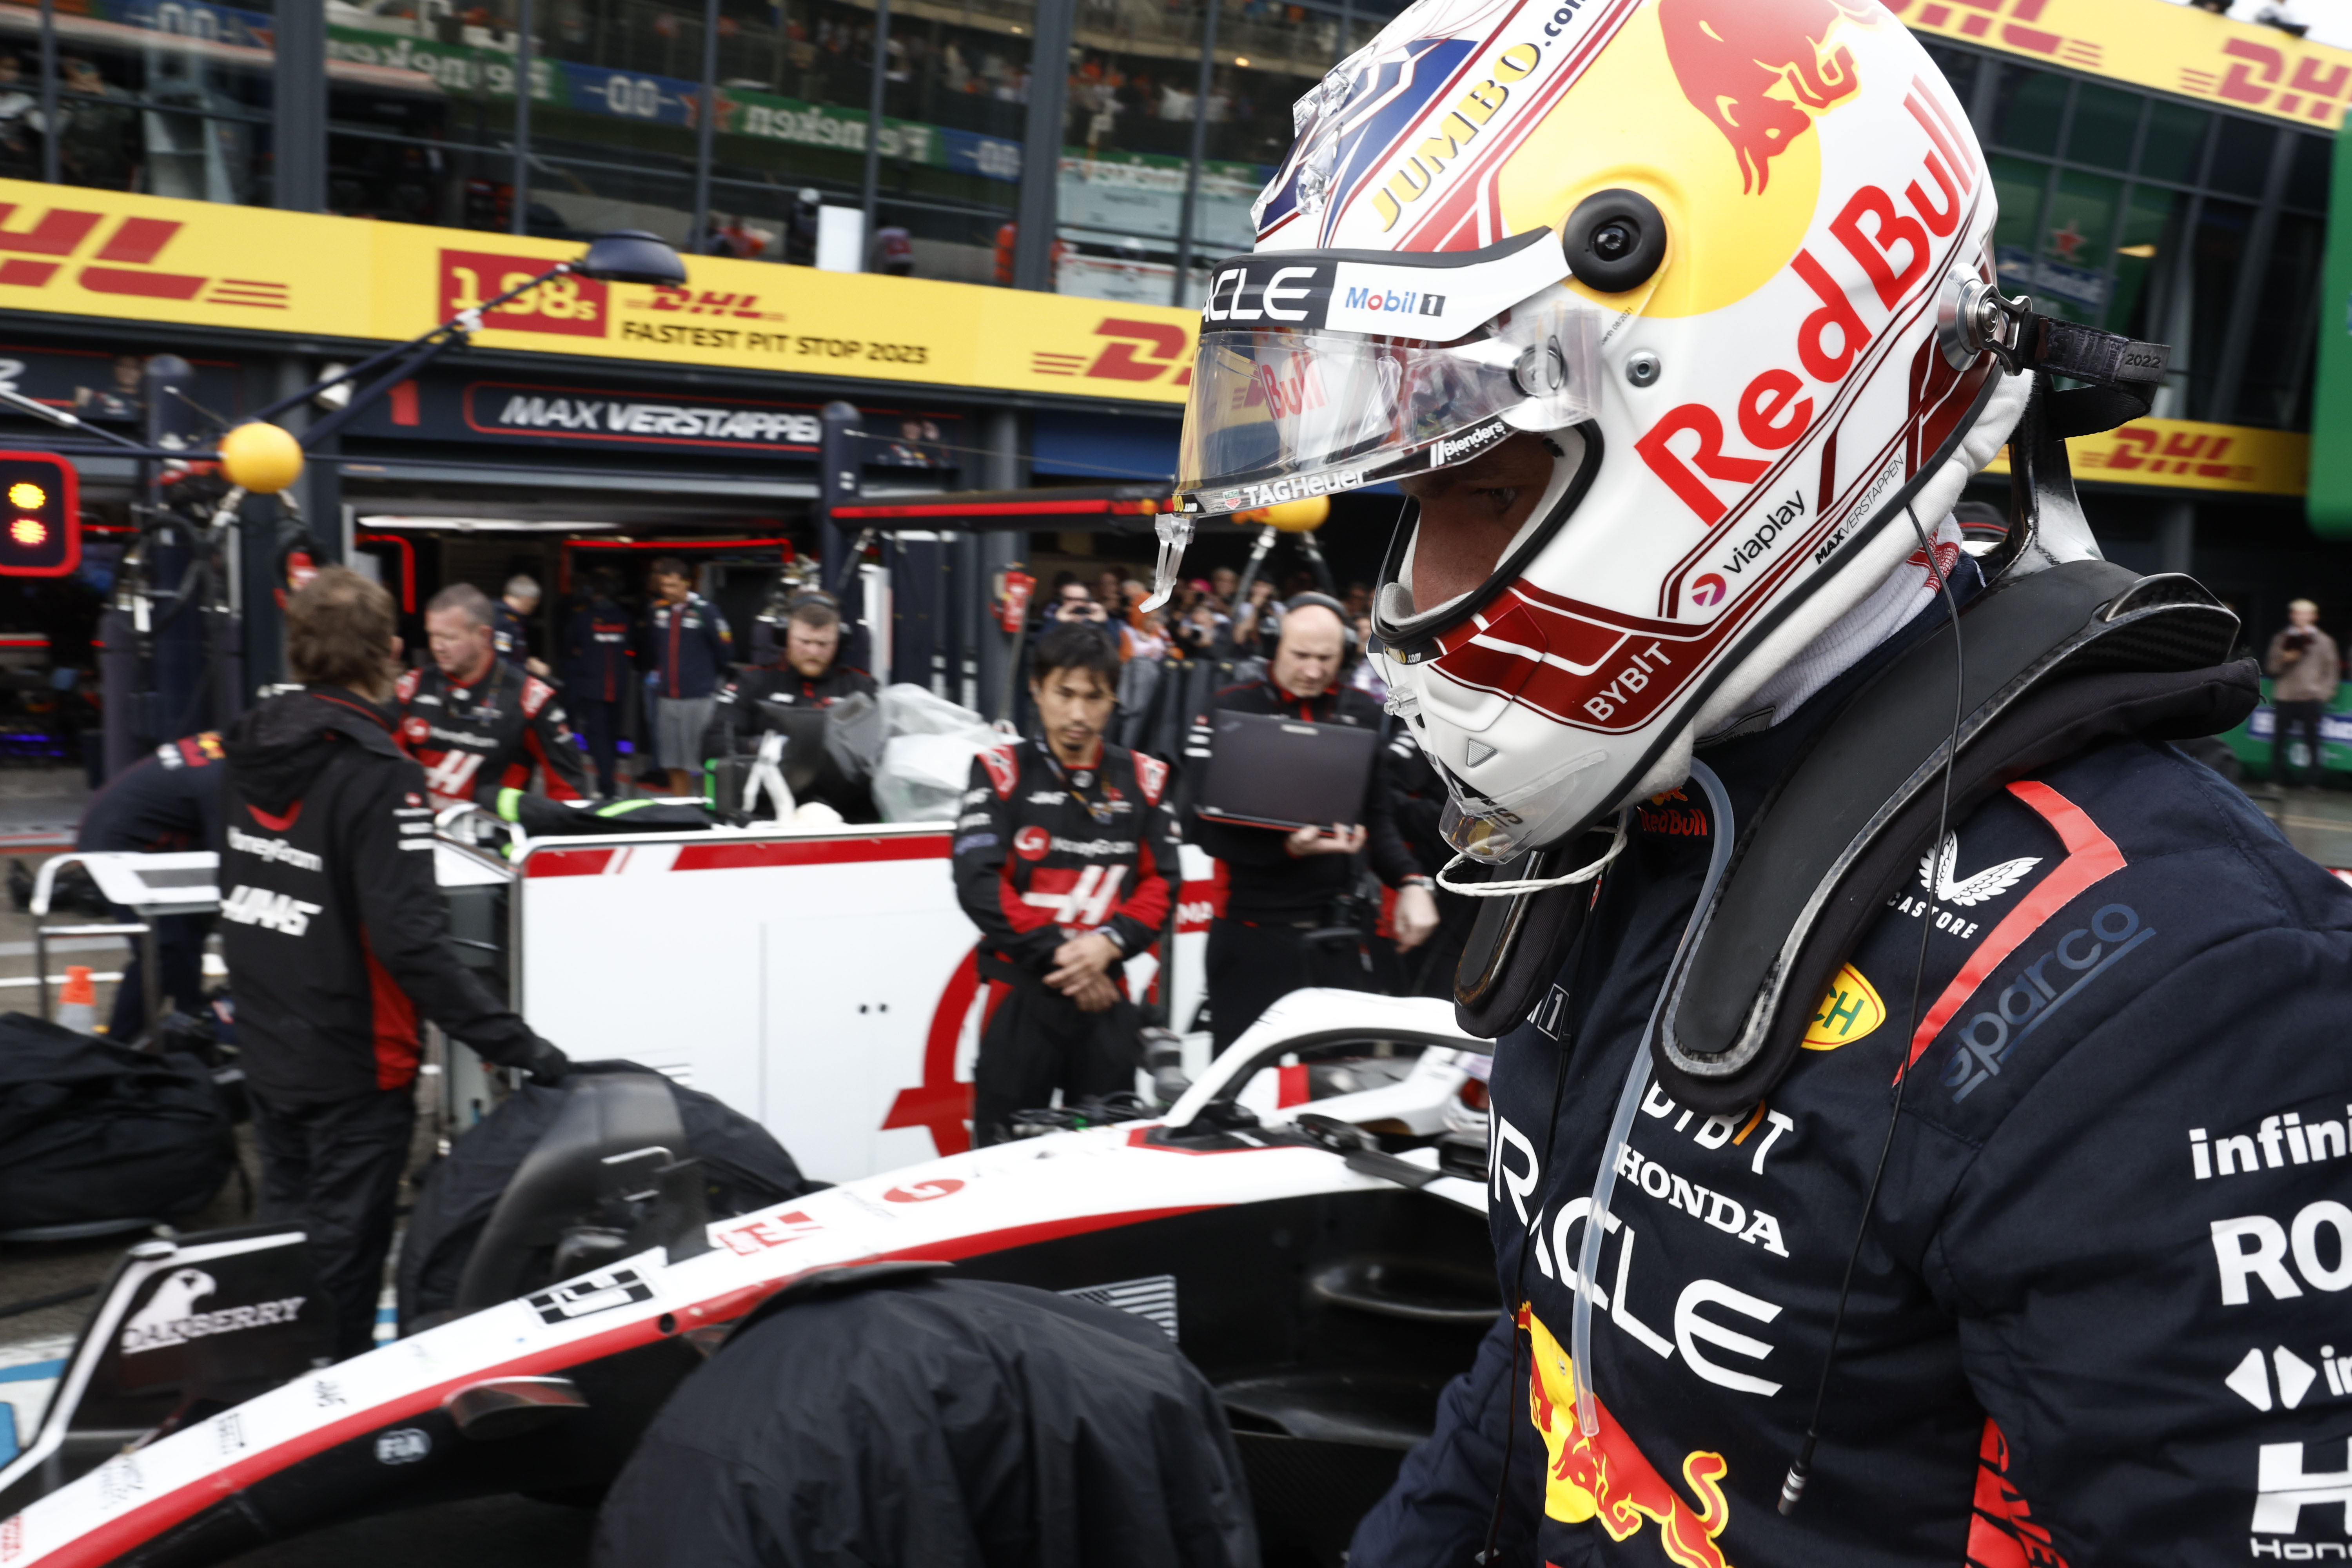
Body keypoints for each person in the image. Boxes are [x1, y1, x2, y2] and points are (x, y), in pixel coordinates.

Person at [1165, 11, 2352, 1563]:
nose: (1409, 585)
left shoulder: (2169, 987)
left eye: (1478, 487)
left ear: (1735, 422)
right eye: (1408, 503)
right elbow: (1556, 1373)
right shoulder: (1638, 819)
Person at [221, 567, 569, 1360]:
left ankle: (259, 1396)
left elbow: (240, 888)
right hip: (354, 1062)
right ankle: (319, 1430)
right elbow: (411, 942)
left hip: (270, 1042)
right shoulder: (381, 771)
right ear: (387, 653)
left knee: (282, 1242)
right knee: (344, 1262)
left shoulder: (245, 745)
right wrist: (523, 1048)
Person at [951, 623, 1178, 1145]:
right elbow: (978, 883)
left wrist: (1108, 943)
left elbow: (1162, 884)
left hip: (1107, 1002)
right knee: (999, 1164)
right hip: (1021, 997)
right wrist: (1069, 959)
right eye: (1065, 694)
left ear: (1114, 698)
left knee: (1105, 1170)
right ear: (1037, 689)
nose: (1078, 714)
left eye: (1094, 698)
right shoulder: (998, 771)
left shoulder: (1145, 780)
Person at [1186, 597, 1437, 1053]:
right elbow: (1199, 827)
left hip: (1334, 935)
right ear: (1273, 647)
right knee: (1242, 1092)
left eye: (1325, 658)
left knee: (1335, 1088)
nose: (1313, 671)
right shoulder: (1229, 708)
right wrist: (1287, 850)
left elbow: (1379, 819)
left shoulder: (1362, 711)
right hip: (1248, 937)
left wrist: (1412, 882)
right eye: (1300, 656)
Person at [73, 730, 223, 1040]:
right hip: (121, 845)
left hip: (132, 832)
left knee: (190, 929)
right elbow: (233, 851)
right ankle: (118, 1047)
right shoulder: (221, 778)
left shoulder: (226, 746)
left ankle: (191, 1013)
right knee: (161, 951)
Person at [394, 583, 590, 811]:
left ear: (484, 635)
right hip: (419, 834)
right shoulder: (412, 686)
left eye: (449, 637)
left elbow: (570, 795)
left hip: (489, 841)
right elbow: (382, 770)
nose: (437, 647)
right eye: (432, 635)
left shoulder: (531, 699)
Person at [703, 593, 879, 817]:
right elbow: (713, 744)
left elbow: (883, 753)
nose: (814, 652)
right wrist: (764, 748)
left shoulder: (861, 687)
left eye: (823, 644)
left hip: (846, 817)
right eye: (805, 642)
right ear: (784, 637)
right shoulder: (753, 682)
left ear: (839, 642)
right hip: (768, 817)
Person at [644, 556, 732, 797]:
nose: (668, 591)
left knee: (703, 762)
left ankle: (708, 809)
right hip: (667, 698)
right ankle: (681, 811)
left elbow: (725, 652)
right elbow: (653, 648)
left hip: (699, 698)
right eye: (664, 586)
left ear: (687, 583)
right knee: (673, 762)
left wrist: (706, 680)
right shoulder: (659, 611)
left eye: (673, 586)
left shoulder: (707, 612)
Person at [561, 568, 632, 797]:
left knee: (599, 740)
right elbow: (634, 649)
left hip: (592, 689)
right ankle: (609, 785)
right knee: (612, 738)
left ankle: (607, 788)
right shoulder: (625, 618)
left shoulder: (583, 618)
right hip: (618, 689)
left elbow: (569, 649)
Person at [2266, 597, 2339, 788]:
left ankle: (2313, 781)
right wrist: (2285, 660)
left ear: (2314, 617)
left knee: (2312, 741)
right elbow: (2272, 668)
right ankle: (2277, 779)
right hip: (2285, 696)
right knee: (2279, 740)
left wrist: (2323, 693)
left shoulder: (2324, 641)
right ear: (2292, 616)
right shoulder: (2282, 638)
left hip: (2311, 698)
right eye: (2298, 613)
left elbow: (2332, 671)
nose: (2302, 617)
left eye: (2307, 614)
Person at [494, 574, 548, 677]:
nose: (532, 610)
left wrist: (526, 662)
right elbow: (500, 663)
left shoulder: (509, 619)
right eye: (533, 606)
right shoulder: (503, 621)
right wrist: (528, 667)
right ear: (526, 600)